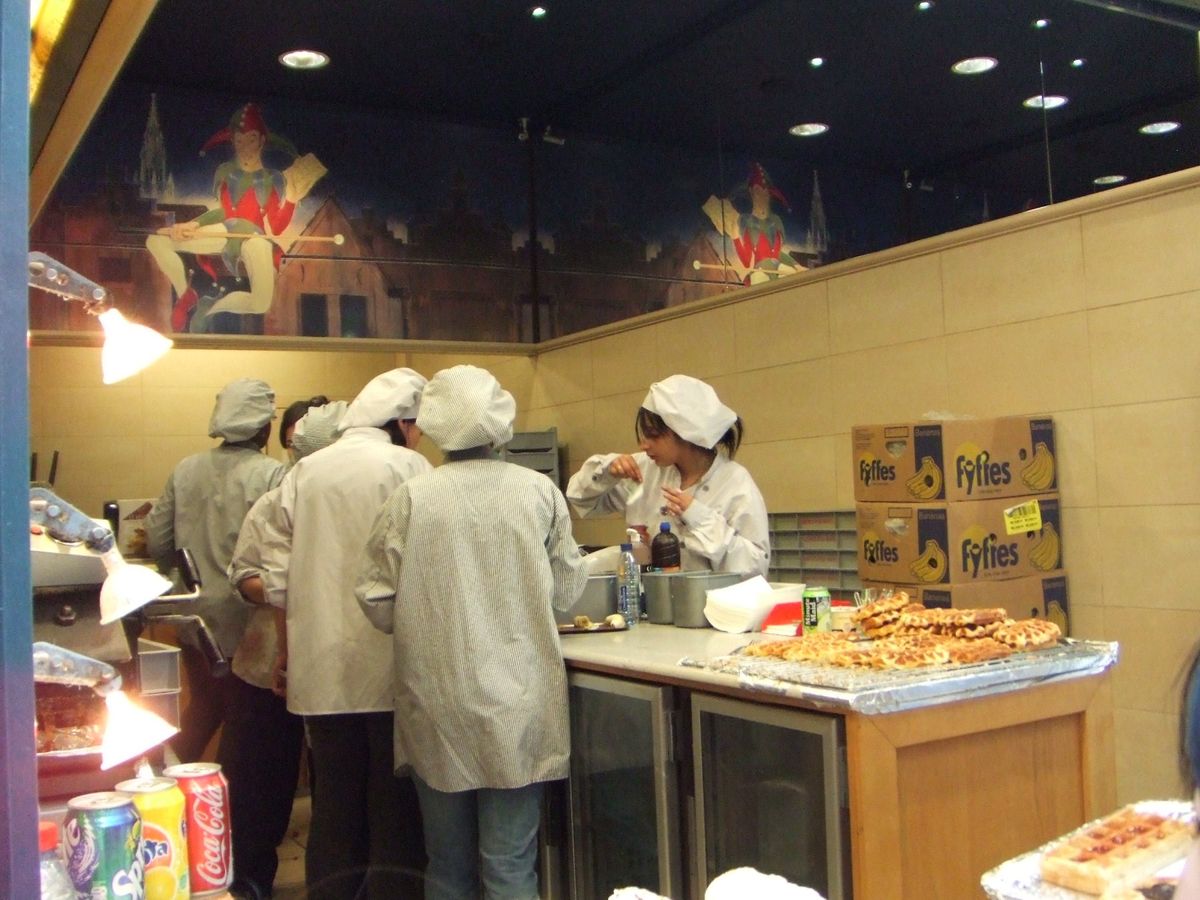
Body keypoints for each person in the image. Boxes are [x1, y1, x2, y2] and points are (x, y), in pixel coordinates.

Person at [356, 364, 587, 900]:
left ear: (435, 423)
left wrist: (426, 617)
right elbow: (567, 588)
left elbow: (374, 598)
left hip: (437, 700)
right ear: (500, 420)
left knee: (447, 865)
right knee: (508, 866)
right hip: (519, 704)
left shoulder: (411, 499)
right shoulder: (538, 492)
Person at [265, 368, 431, 900]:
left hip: (320, 669)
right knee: (393, 807)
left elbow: (274, 576)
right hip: (389, 665)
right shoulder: (409, 467)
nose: (420, 438)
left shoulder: (305, 471)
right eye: (418, 428)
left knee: (335, 804)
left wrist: (286, 651)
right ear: (402, 423)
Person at [222, 399, 344, 900]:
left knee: (337, 792)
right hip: (265, 666)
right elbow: (242, 576)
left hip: (336, 668)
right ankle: (251, 882)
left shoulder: (355, 502)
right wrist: (283, 590)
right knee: (259, 789)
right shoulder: (272, 504)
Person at [145, 377, 286, 763]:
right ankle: (219, 797)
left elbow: (156, 539)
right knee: (242, 723)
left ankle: (167, 779)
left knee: (204, 708)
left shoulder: (186, 469)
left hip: (194, 617)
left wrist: (182, 576)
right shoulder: (273, 475)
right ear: (264, 427)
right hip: (248, 620)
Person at [566, 374, 770, 579]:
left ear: (685, 431)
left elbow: (755, 567)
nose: (644, 445)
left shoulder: (734, 482)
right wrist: (606, 473)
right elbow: (580, 499)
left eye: (653, 435)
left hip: (711, 597)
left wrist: (700, 518)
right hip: (651, 593)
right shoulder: (643, 471)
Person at [145, 102, 325, 332]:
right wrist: (192, 224)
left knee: (260, 304)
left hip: (255, 240)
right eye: (239, 141)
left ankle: (212, 310)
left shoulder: (271, 179)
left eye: (251, 139)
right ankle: (185, 296)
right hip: (227, 230)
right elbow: (223, 212)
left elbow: (277, 227)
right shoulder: (226, 172)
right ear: (233, 142)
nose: (245, 147)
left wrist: (290, 199)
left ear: (261, 141)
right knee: (156, 241)